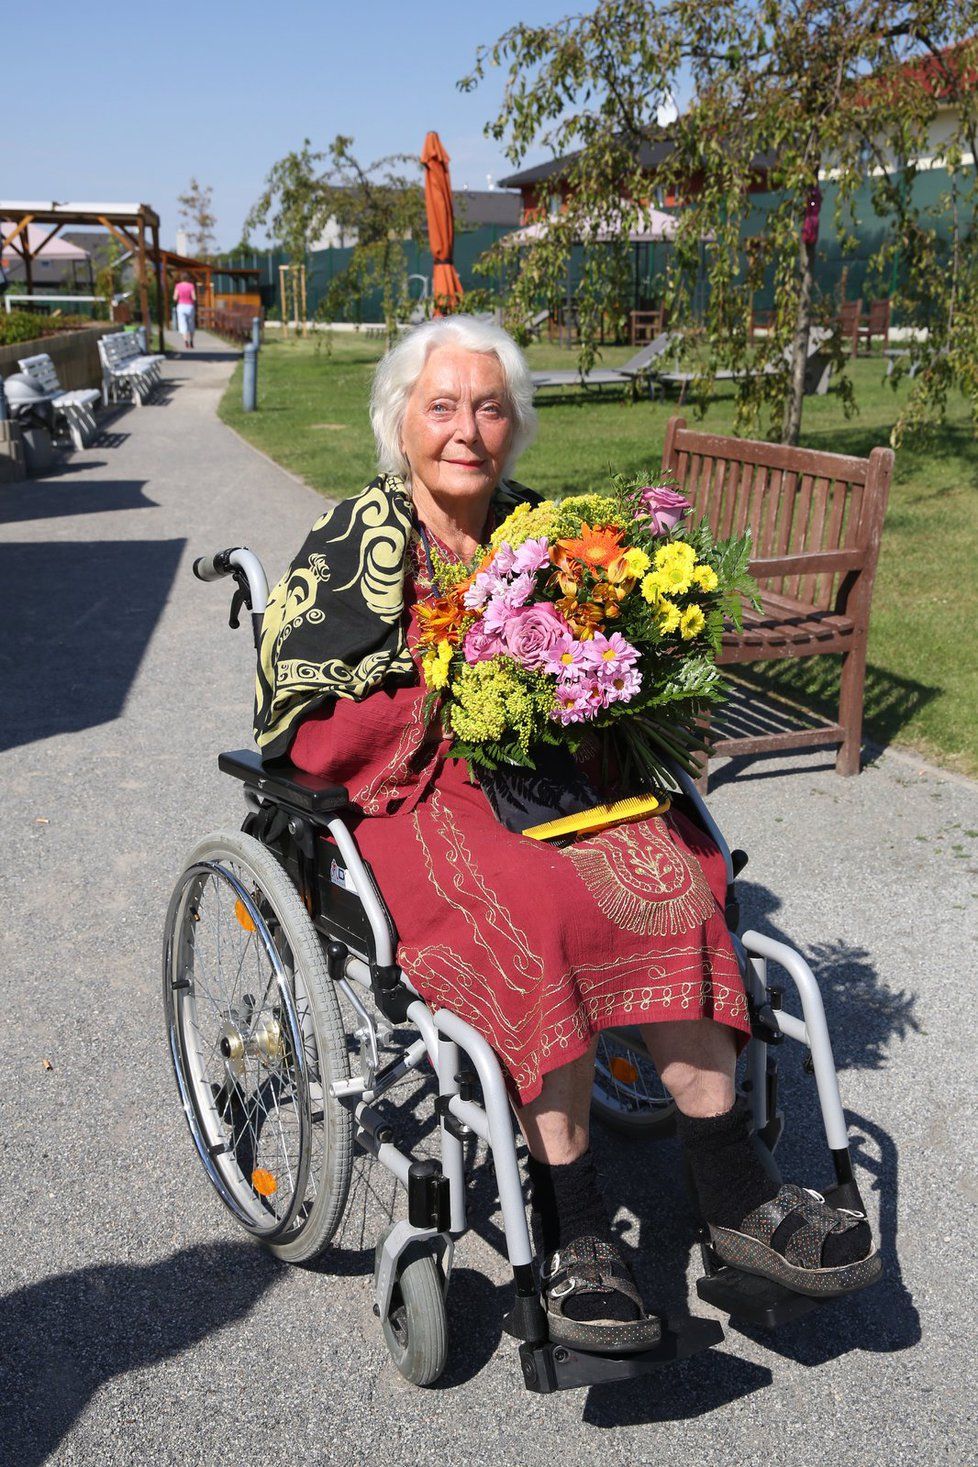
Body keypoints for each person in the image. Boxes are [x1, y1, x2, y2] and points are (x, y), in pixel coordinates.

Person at [255, 316, 880, 1353]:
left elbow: (607, 669)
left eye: (490, 408)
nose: (467, 430)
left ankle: (739, 1197)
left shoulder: (542, 533)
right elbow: (308, 728)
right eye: (443, 406)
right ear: (399, 421)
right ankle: (575, 1223)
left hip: (555, 778)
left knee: (675, 880)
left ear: (515, 426)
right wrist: (443, 683)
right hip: (418, 792)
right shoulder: (352, 541)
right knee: (535, 907)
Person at [173, 272, 196, 348]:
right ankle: (191, 341)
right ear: (188, 278)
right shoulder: (191, 286)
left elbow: (175, 297)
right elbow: (194, 297)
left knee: (183, 324)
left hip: (181, 306)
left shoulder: (178, 286)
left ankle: (185, 341)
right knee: (191, 323)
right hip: (190, 306)